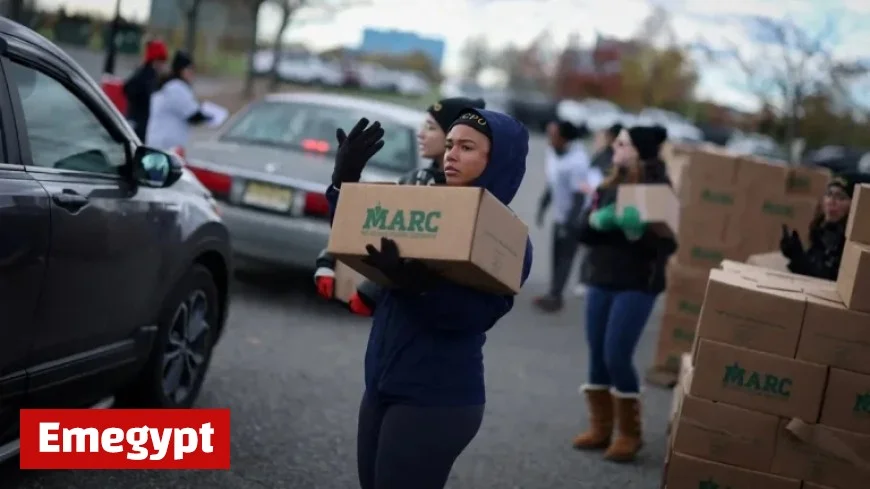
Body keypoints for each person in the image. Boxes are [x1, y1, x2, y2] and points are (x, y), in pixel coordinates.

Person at [324, 111, 533, 489]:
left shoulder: (507, 237)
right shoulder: (427, 204)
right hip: (381, 386)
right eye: (450, 144)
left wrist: (417, 285)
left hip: (436, 400)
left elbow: (475, 316)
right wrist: (344, 182)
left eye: (467, 147)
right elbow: (357, 234)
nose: (450, 154)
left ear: (496, 160)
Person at [314, 97, 486, 316]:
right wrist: (328, 259)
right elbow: (368, 227)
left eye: (432, 128)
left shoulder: (473, 203)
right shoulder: (415, 179)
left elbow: (444, 285)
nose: (421, 133)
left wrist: (374, 289)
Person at [571, 125, 677, 463]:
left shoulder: (658, 187)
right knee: (597, 354)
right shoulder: (608, 181)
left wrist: (639, 230)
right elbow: (582, 232)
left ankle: (630, 433)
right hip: (601, 276)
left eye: (623, 142)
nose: (615, 145)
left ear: (640, 150)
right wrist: (598, 220)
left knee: (617, 353)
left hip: (637, 283)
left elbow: (669, 243)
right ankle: (601, 427)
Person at [533, 119, 600, 312]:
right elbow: (552, 182)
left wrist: (570, 223)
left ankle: (556, 297)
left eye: (553, 135)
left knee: (565, 256)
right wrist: (543, 206)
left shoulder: (577, 162)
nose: (549, 139)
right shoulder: (552, 153)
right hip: (560, 213)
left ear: (564, 138)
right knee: (556, 254)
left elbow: (579, 196)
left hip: (575, 215)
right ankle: (552, 292)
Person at [780, 173, 862, 280]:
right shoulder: (819, 229)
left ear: (852, 204)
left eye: (841, 197)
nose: (832, 201)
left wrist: (799, 259)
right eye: (829, 194)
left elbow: (827, 277)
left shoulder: (847, 241)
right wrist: (794, 253)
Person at [145, 51, 211, 152]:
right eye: (189, 69)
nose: (192, 73)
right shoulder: (176, 87)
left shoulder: (166, 85)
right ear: (180, 70)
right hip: (167, 145)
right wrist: (212, 116)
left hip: (157, 142)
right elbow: (193, 115)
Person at [123, 39, 169, 141]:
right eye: (161, 60)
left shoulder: (145, 74)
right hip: (141, 124)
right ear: (154, 60)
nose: (163, 64)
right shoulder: (148, 77)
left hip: (136, 121)